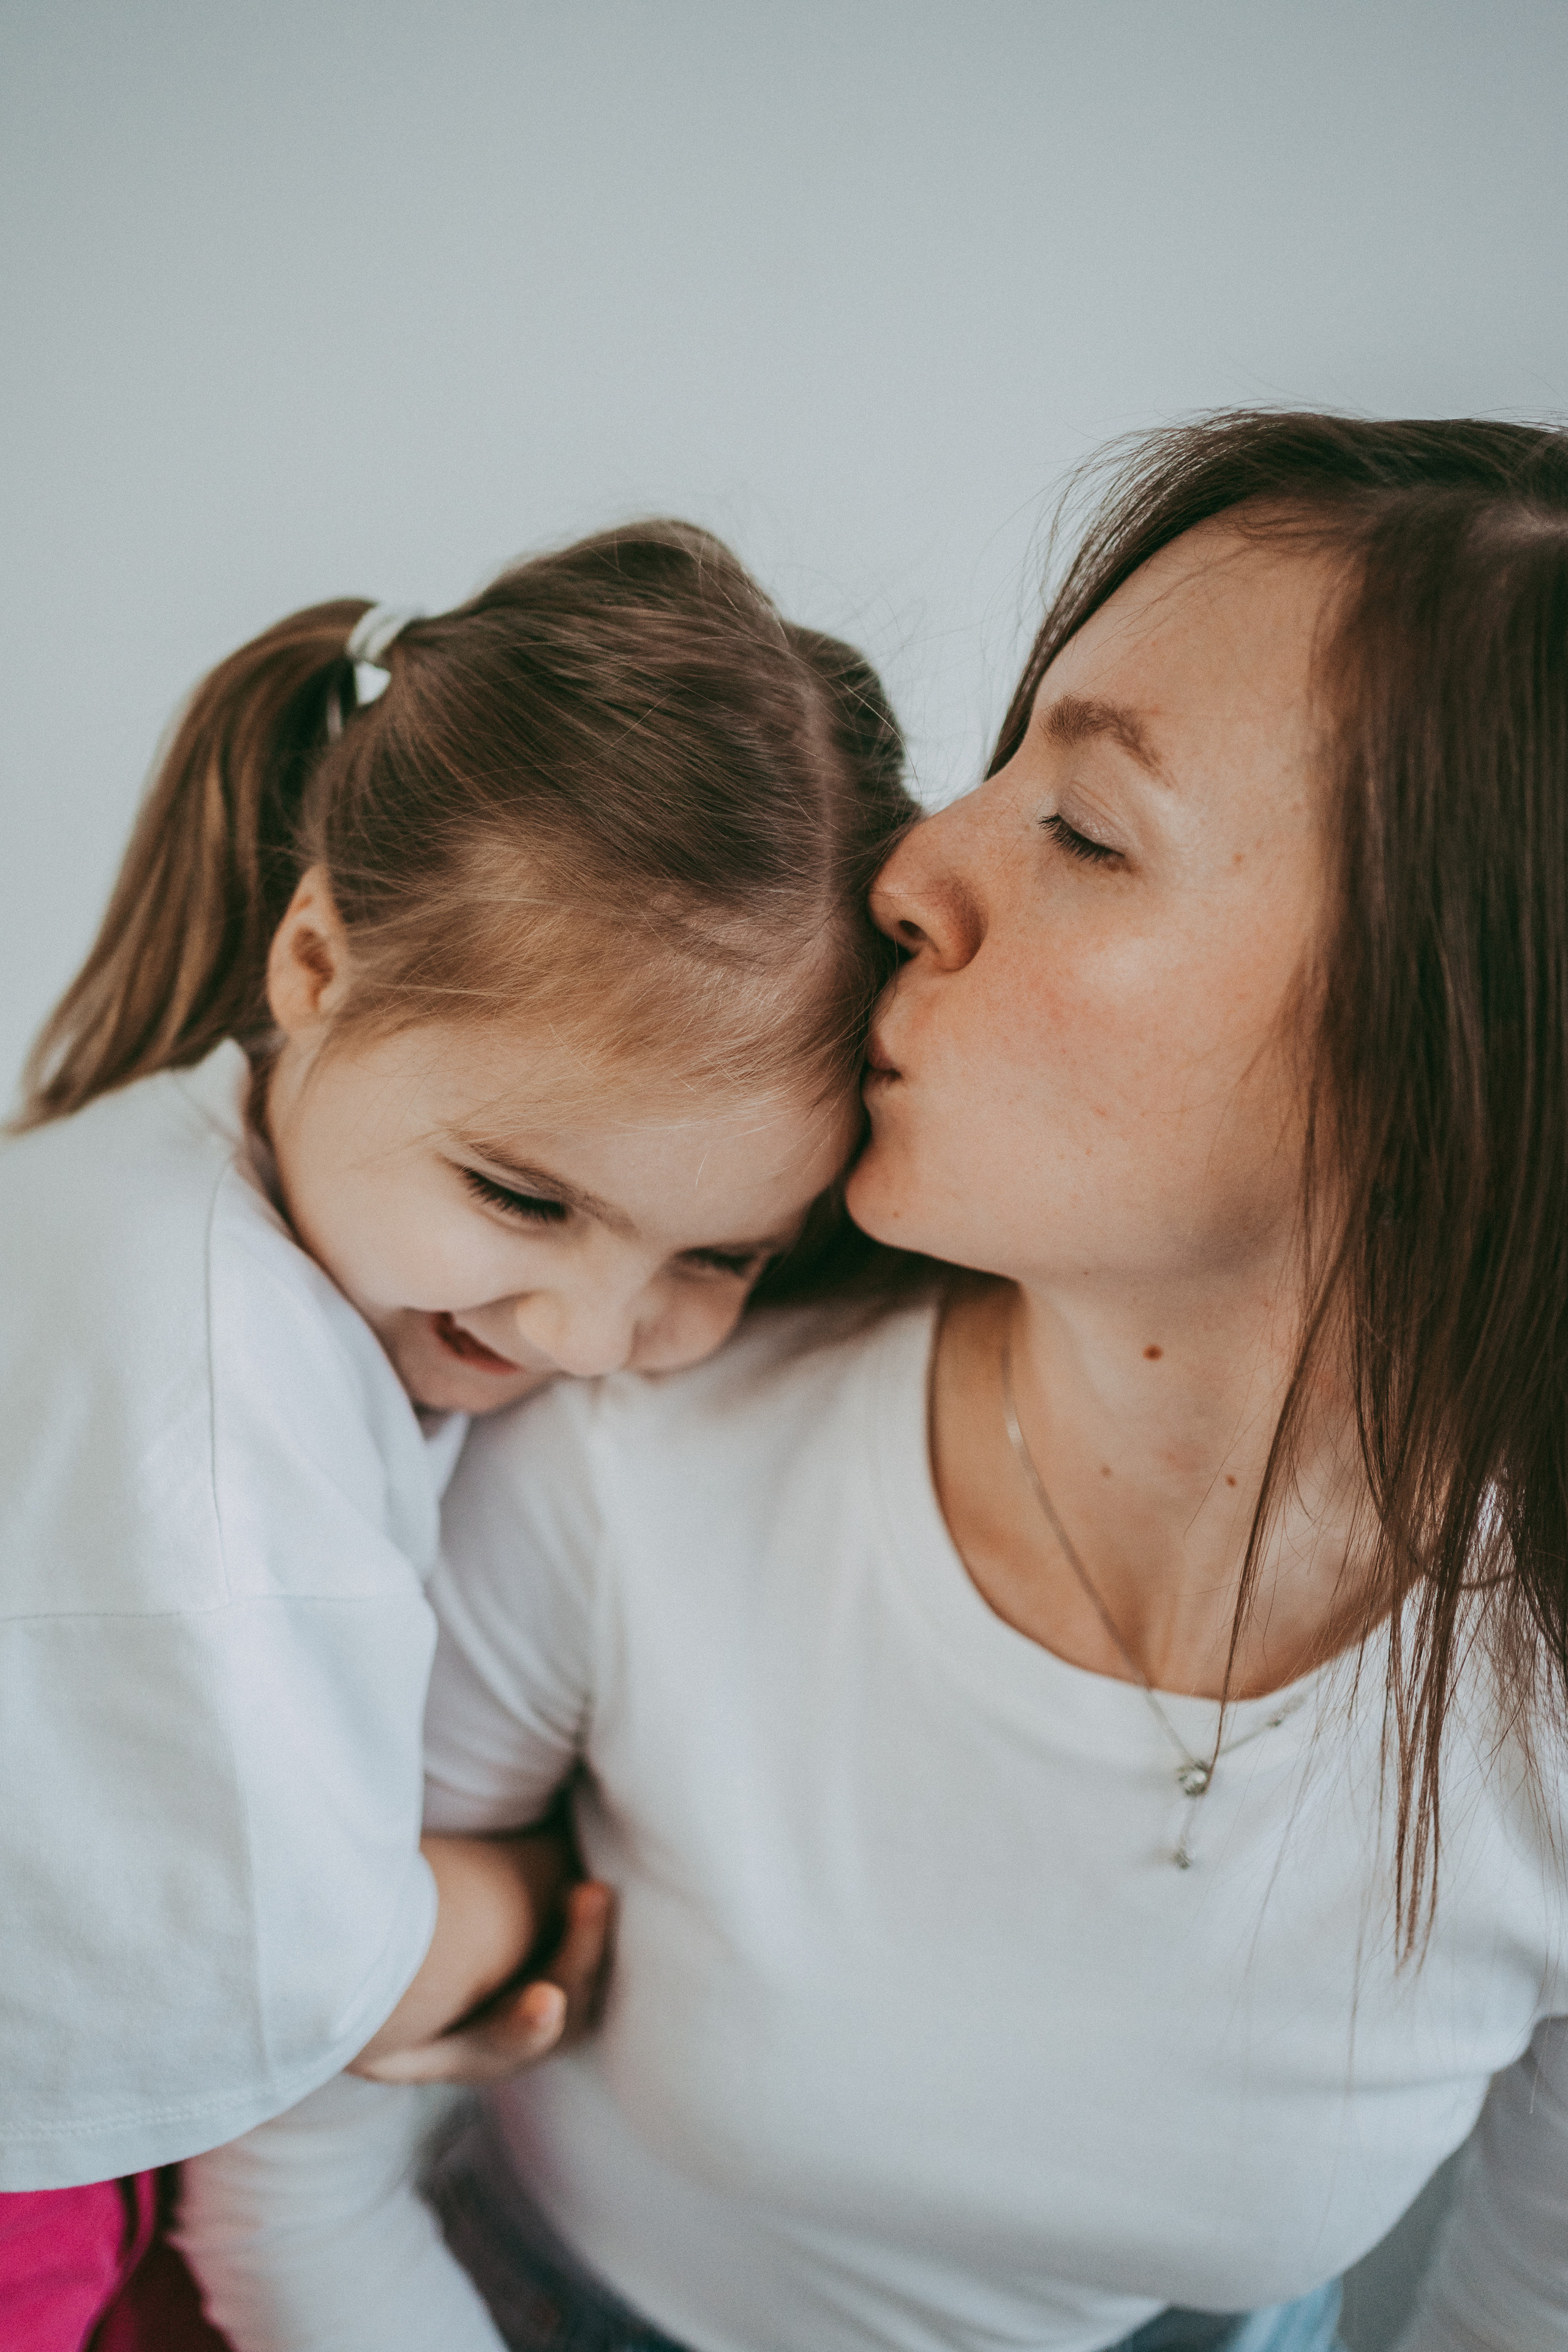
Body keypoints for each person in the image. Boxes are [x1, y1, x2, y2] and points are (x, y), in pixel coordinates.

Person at [179, 412, 1568, 2352]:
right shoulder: (633, 1429)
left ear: (1454, 1061)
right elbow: (286, 2166)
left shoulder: (1531, 1697)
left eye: (1086, 830)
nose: (910, 866)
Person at [0, 521, 915, 2350]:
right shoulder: (204, 1389)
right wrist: (522, 1900)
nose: (586, 1335)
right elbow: (297, 1968)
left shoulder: (177, 1197)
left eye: (719, 1257)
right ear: (316, 962)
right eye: (523, 1196)